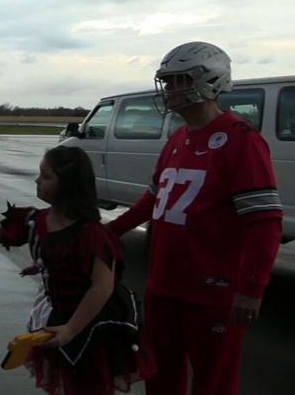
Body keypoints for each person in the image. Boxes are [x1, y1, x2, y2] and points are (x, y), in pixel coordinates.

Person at [105, 41, 282, 395]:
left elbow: (264, 223)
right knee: (160, 376)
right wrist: (106, 232)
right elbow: (152, 202)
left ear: (210, 81)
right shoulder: (178, 138)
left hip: (212, 291)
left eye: (178, 80)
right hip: (165, 285)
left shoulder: (241, 140)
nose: (169, 90)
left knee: (213, 382)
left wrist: (250, 288)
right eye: (167, 81)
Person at [0, 146, 150, 395]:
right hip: (58, 314)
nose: (37, 180)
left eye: (46, 176)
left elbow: (102, 286)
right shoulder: (35, 221)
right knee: (64, 381)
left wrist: (71, 329)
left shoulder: (92, 235)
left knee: (88, 384)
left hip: (89, 320)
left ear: (69, 185)